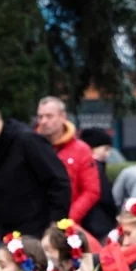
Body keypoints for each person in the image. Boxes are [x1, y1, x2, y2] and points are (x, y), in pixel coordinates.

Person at [0, 95, 71, 252]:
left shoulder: (26, 141)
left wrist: (55, 228)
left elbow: (59, 182)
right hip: (9, 238)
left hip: (38, 236)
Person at [36, 97, 101, 226]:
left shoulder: (81, 150)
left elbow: (91, 191)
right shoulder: (32, 146)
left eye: (49, 116)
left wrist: (67, 219)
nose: (43, 121)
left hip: (67, 226)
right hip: (35, 223)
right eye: (40, 117)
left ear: (62, 117)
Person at [79, 128, 118, 241]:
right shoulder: (96, 168)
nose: (108, 154)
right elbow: (106, 196)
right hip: (100, 224)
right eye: (105, 149)